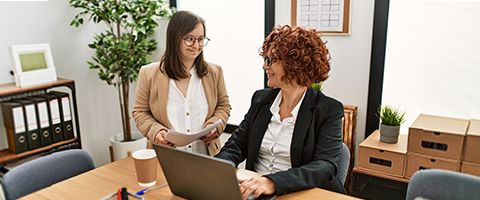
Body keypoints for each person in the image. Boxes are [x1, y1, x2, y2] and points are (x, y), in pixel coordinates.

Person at [215, 25, 345, 198]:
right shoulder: (261, 99)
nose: (264, 66)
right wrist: (220, 168)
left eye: (270, 60)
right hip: (255, 191)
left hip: (299, 193)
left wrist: (272, 182)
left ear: (295, 64)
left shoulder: (328, 109)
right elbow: (237, 144)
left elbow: (325, 166)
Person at [133, 11, 231, 156]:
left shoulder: (214, 72)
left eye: (201, 39)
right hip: (166, 157)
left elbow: (223, 106)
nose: (196, 45)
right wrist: (156, 131)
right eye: (190, 39)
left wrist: (214, 125)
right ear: (175, 38)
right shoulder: (148, 74)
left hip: (207, 156)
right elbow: (140, 112)